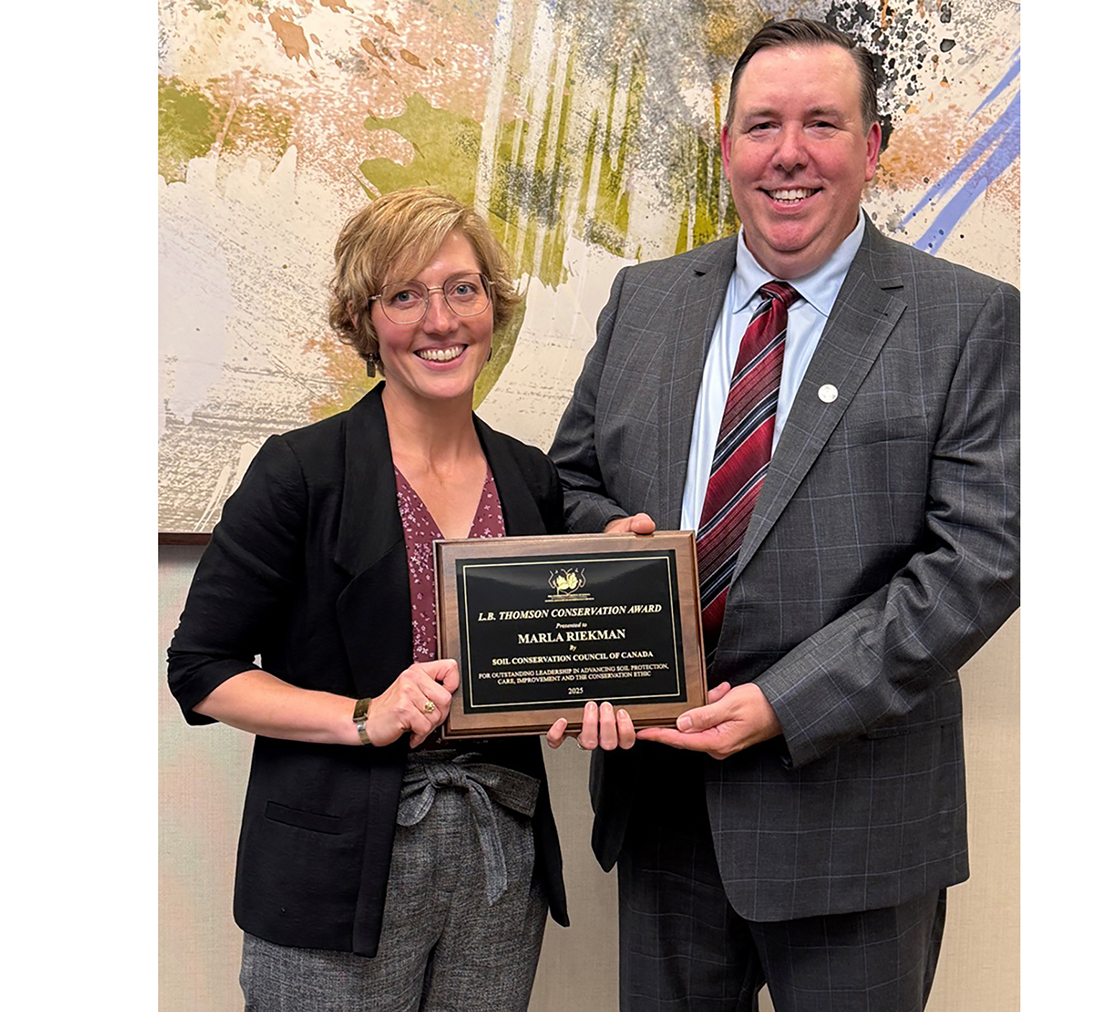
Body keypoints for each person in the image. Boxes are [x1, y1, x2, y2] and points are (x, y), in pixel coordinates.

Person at [547, 17, 1019, 1012]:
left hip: (854, 822)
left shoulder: (966, 319)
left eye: (822, 123)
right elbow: (569, 483)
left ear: (872, 145)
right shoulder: (643, 301)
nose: (789, 153)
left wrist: (784, 702)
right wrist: (603, 557)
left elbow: (975, 561)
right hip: (663, 809)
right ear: (726, 149)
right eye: (762, 124)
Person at [167, 187, 568, 1011]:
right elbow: (201, 669)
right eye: (405, 294)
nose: (441, 319)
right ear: (365, 318)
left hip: (498, 855)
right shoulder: (299, 471)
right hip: (331, 860)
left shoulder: (531, 478)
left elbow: (542, 656)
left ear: (493, 306)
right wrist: (362, 717)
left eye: (463, 288)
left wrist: (585, 695)